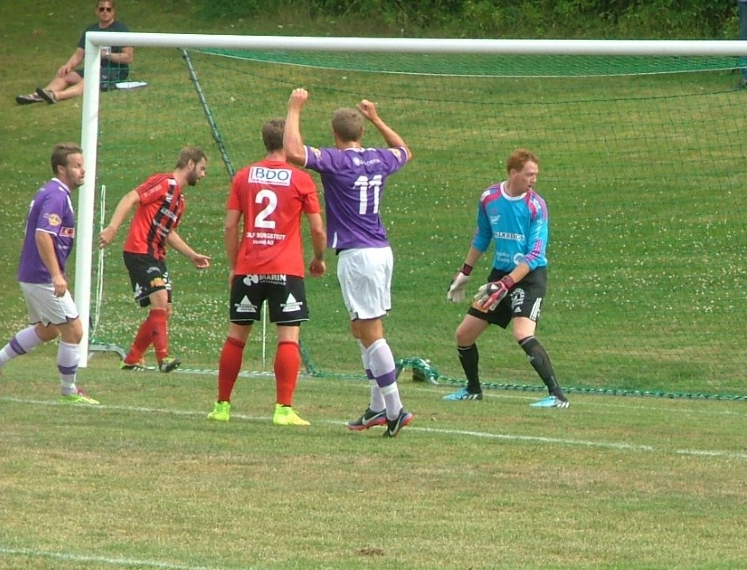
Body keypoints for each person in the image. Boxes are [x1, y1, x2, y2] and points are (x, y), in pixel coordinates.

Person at [283, 88, 415, 437]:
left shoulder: (336, 161)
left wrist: (294, 109)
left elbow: (293, 151)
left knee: (371, 332)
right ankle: (377, 405)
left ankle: (395, 409)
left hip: (358, 255)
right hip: (380, 251)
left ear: (335, 134)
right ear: (362, 132)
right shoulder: (378, 158)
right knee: (360, 328)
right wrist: (378, 118)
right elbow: (404, 150)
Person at [207, 119, 328, 426]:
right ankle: (283, 410)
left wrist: (235, 266)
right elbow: (317, 228)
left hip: (249, 267)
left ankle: (222, 406)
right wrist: (318, 258)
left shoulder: (244, 176)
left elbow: (230, 226)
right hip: (286, 269)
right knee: (288, 338)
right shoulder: (301, 179)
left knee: (236, 337)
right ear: (287, 142)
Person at [444, 149, 569, 409]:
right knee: (464, 335)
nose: (534, 180)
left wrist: (507, 284)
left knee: (522, 333)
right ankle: (473, 390)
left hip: (528, 277)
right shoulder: (489, 198)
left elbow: (534, 255)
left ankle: (557, 396)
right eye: (529, 174)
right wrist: (465, 271)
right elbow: (482, 235)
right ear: (513, 173)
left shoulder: (536, 206)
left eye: (535, 174)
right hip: (500, 277)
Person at [0, 143, 99, 405]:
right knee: (74, 330)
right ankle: (69, 391)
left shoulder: (52, 192)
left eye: (82, 165)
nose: (83, 170)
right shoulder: (56, 195)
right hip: (42, 276)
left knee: (49, 329)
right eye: (77, 166)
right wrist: (55, 274)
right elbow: (43, 235)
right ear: (62, 169)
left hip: (33, 273)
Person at [98, 146, 212, 373]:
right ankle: (163, 358)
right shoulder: (163, 183)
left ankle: (132, 358)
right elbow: (131, 197)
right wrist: (112, 227)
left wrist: (192, 255)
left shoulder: (179, 201)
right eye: (201, 168)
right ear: (190, 164)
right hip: (139, 250)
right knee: (160, 299)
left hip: (156, 256)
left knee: (165, 309)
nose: (203, 174)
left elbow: (168, 233)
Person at [17, 0, 134, 105]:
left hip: (113, 72)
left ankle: (56, 96)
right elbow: (79, 54)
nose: (105, 12)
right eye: (101, 9)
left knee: (88, 80)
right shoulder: (91, 30)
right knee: (65, 75)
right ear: (96, 11)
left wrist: (107, 55)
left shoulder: (121, 29)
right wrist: (68, 65)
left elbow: (128, 57)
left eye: (108, 9)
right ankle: (38, 96)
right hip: (91, 68)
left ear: (113, 11)